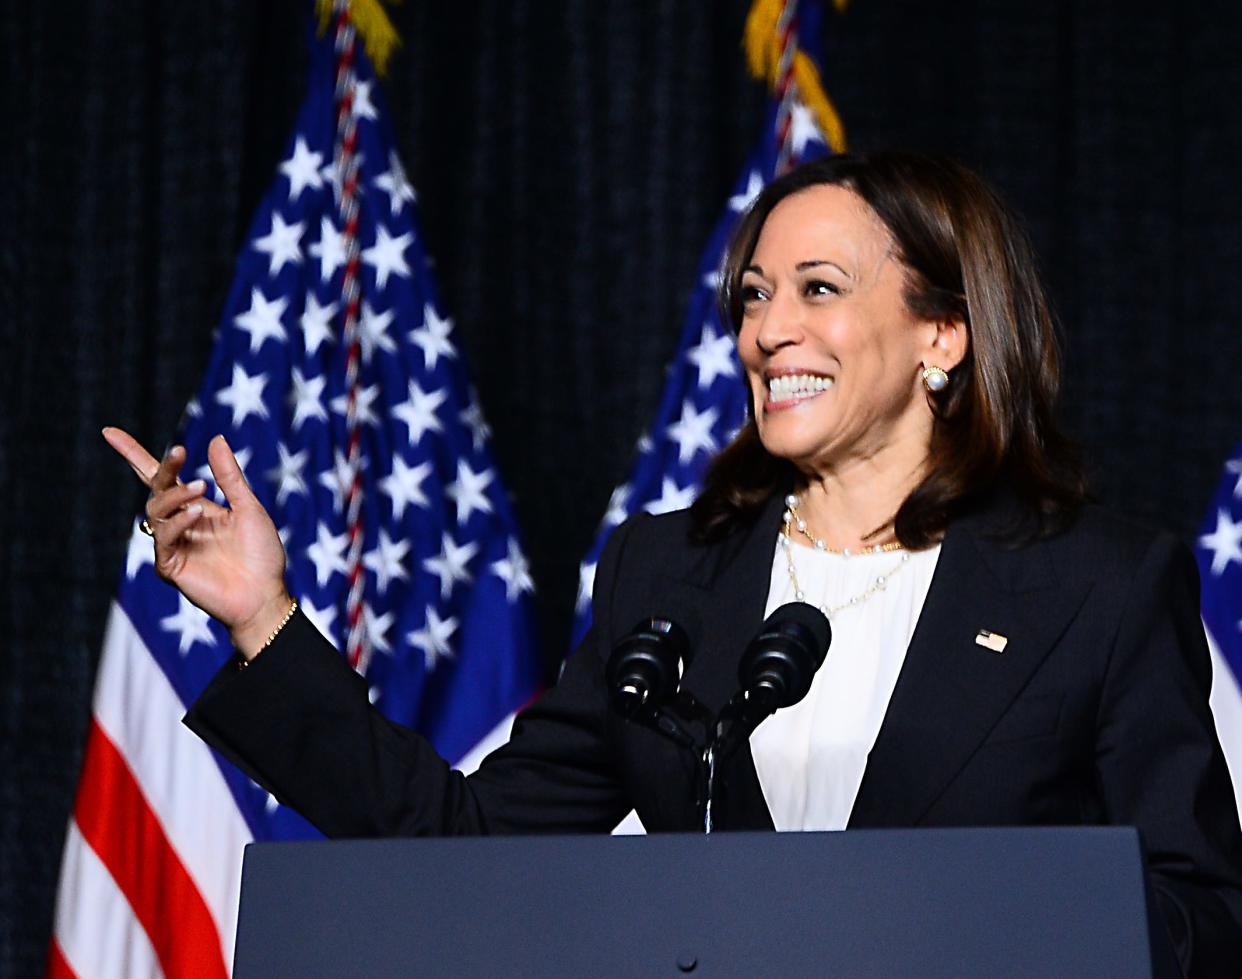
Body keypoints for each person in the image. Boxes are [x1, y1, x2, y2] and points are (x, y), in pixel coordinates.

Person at [104, 152, 1242, 977]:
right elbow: (470, 850)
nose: (767, 329)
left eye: (818, 290)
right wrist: (263, 615)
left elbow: (1197, 916)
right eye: (754, 296)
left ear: (943, 335)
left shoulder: (1095, 584)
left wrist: (987, 922)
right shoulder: (669, 576)